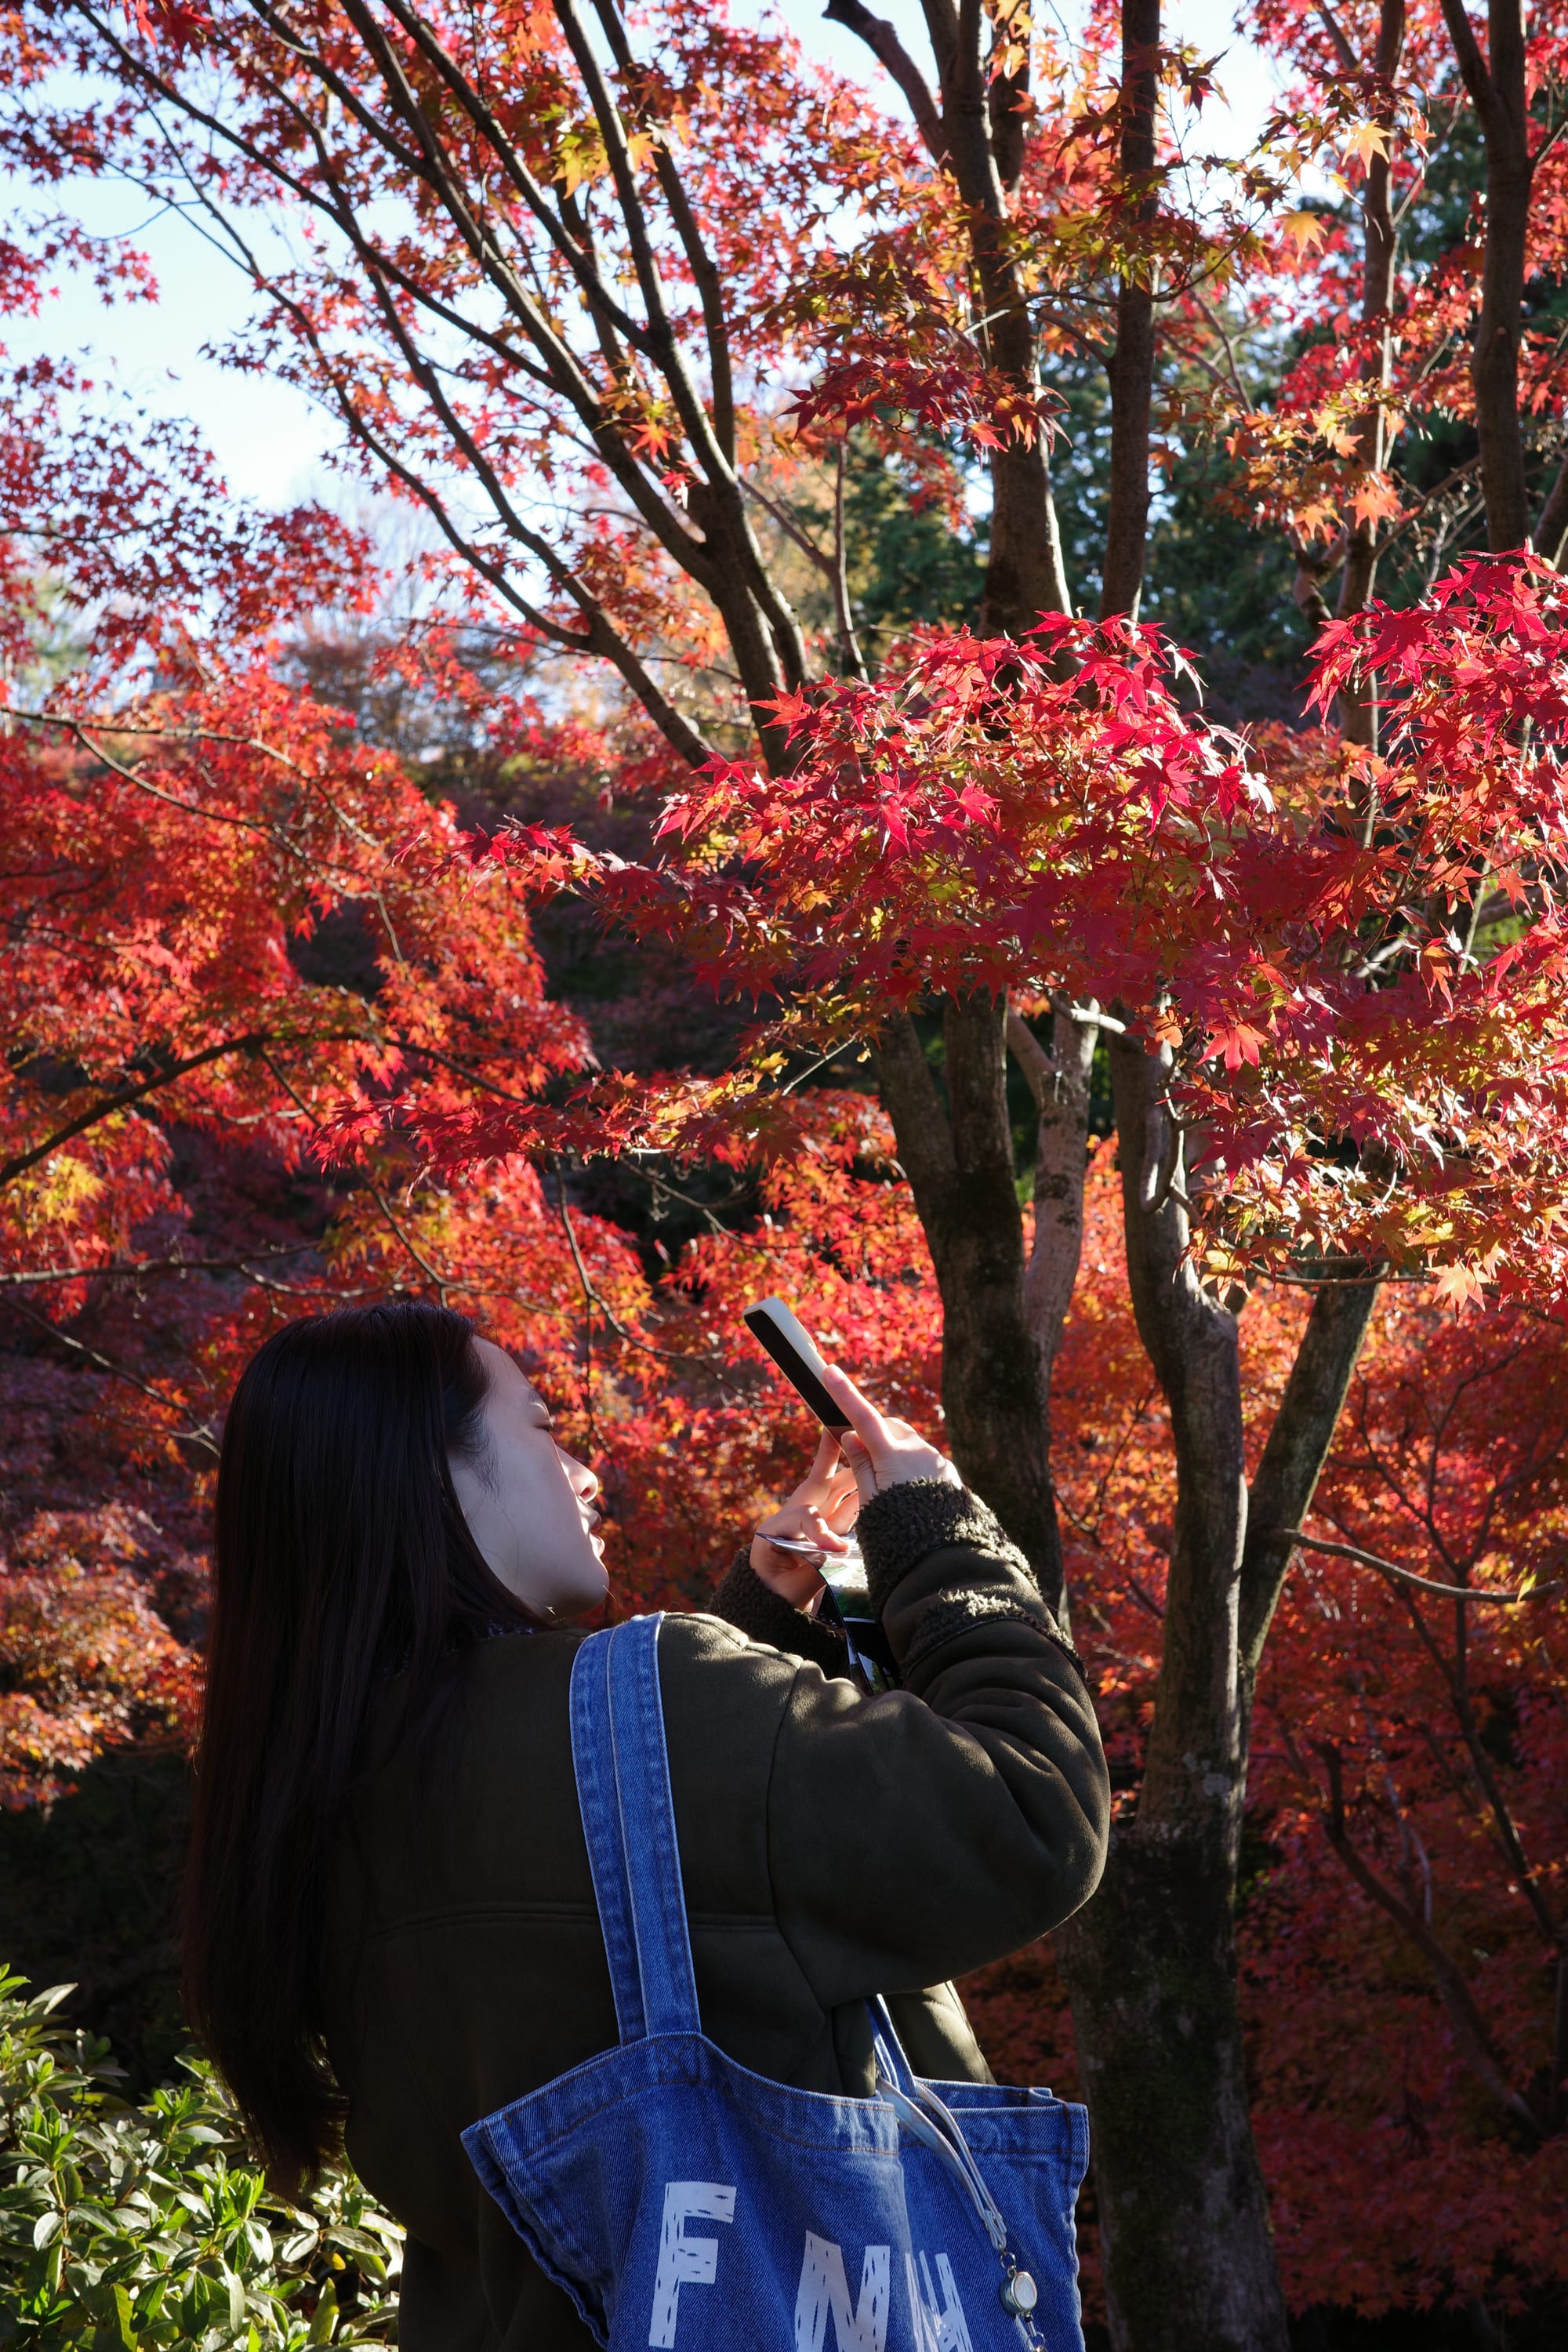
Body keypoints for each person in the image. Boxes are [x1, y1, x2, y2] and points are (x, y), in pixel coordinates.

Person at [183, 1300, 1109, 2352]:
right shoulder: (665, 1698)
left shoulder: (310, 1800)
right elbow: (1036, 1808)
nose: (583, 1472)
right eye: (539, 1424)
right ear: (428, 1470)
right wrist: (937, 1535)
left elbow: (606, 1946)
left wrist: (754, 1635)